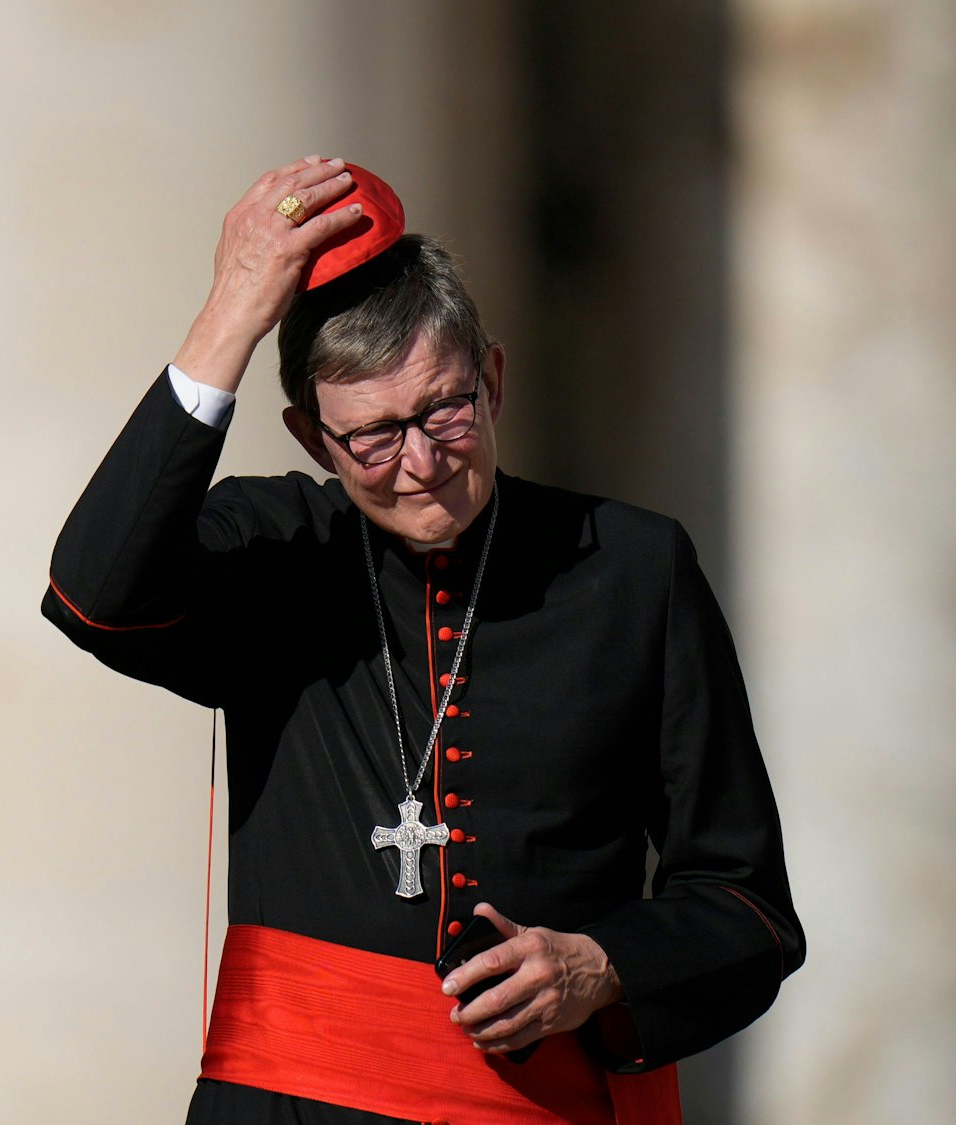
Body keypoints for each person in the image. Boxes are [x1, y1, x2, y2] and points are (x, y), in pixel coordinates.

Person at [42, 156, 803, 1125]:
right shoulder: (275, 551)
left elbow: (746, 904)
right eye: (369, 436)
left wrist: (599, 967)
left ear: (489, 379)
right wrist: (234, 308)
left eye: (444, 411)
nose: (417, 463)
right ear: (312, 439)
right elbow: (92, 592)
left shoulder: (631, 567)